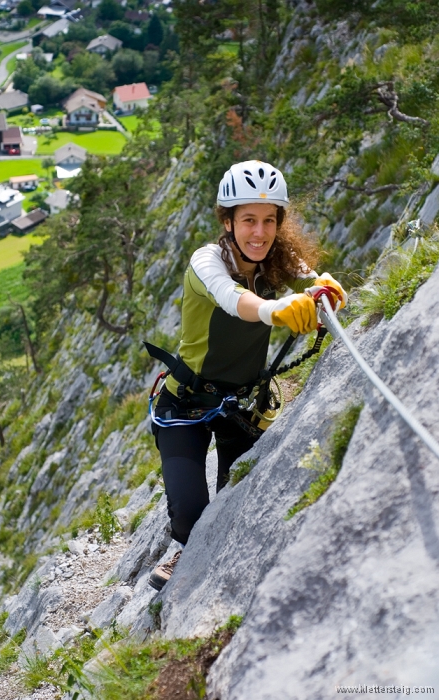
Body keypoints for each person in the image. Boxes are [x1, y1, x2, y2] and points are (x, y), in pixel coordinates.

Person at [147, 160, 347, 591]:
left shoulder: (277, 256)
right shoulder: (206, 262)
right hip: (185, 403)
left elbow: (309, 277)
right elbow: (233, 299)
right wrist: (278, 310)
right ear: (228, 220)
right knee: (190, 513)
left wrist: (323, 288)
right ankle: (185, 547)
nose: (259, 232)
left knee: (238, 497)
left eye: (269, 221)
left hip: (241, 404)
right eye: (249, 220)